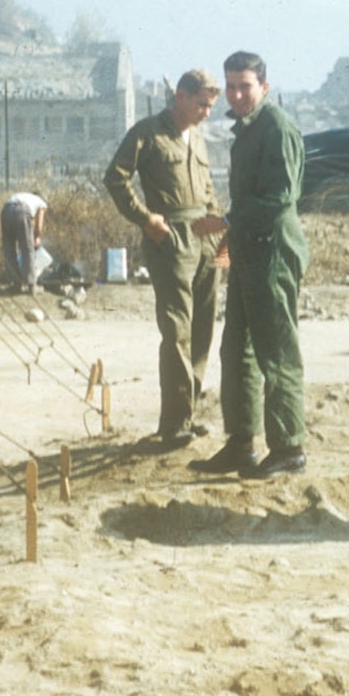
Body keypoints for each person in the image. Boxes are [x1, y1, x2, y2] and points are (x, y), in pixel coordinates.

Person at [190, 51, 309, 479]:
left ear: (264, 87)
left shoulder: (276, 127)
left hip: (273, 253)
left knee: (276, 354)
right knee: (236, 351)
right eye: (232, 86)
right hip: (247, 250)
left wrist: (226, 221)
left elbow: (280, 198)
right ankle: (242, 443)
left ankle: (289, 448)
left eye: (246, 86)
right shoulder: (248, 130)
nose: (238, 95)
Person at [103, 70, 227, 450]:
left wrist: (224, 239)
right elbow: (116, 177)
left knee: (203, 330)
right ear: (180, 97)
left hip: (206, 240)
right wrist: (145, 218)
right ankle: (173, 424)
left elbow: (209, 195)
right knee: (177, 331)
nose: (206, 112)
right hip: (171, 239)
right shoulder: (148, 132)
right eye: (200, 104)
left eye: (210, 106)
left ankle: (186, 415)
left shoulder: (200, 140)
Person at [0, 189, 48, 293]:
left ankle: (15, 283)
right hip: (20, 212)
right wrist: (36, 238)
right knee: (27, 248)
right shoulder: (41, 203)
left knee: (9, 248)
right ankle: (32, 285)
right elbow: (39, 226)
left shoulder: (23, 196)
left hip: (6, 211)